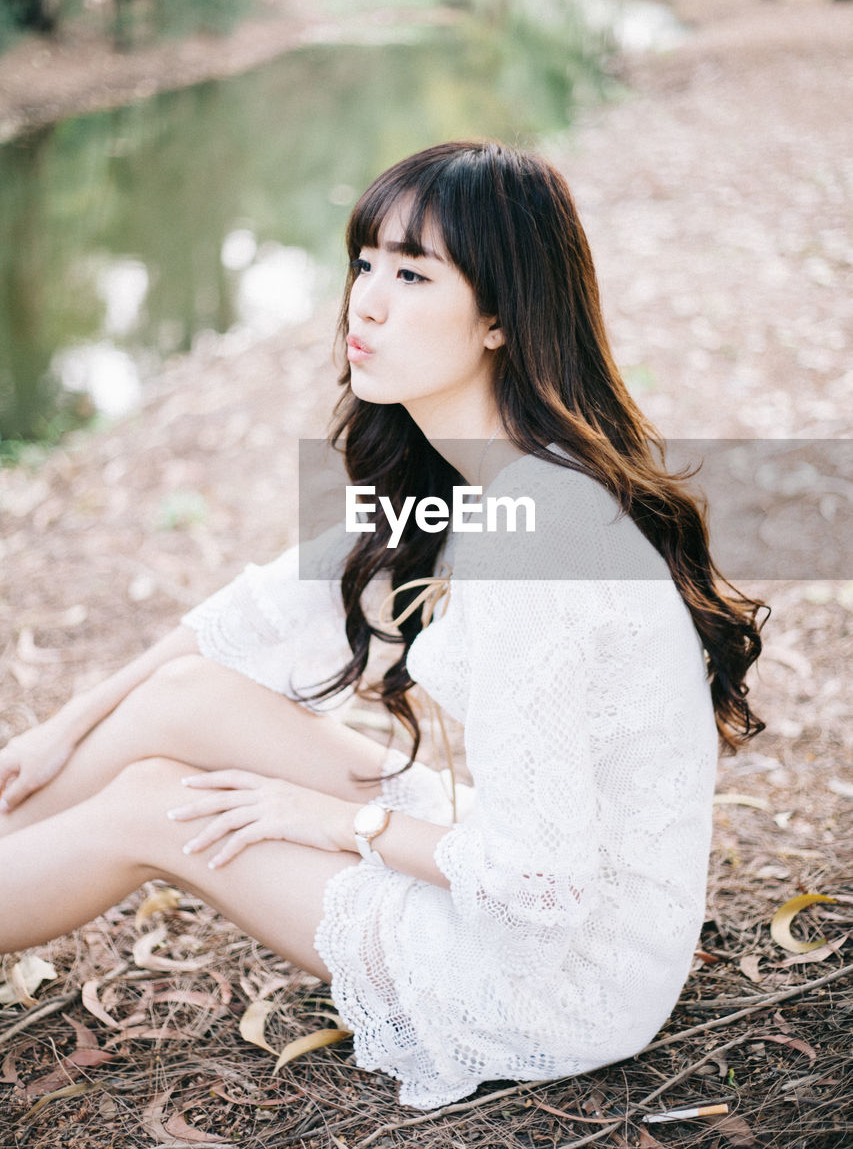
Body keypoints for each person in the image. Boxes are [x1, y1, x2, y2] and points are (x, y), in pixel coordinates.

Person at [0, 140, 768, 1111]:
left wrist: (339, 822)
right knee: (187, 694)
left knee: (153, 804)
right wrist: (64, 723)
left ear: (499, 316)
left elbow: (538, 881)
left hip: (559, 973)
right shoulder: (481, 482)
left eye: (412, 273)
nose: (365, 299)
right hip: (511, 850)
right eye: (366, 262)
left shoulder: (537, 533)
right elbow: (250, 614)